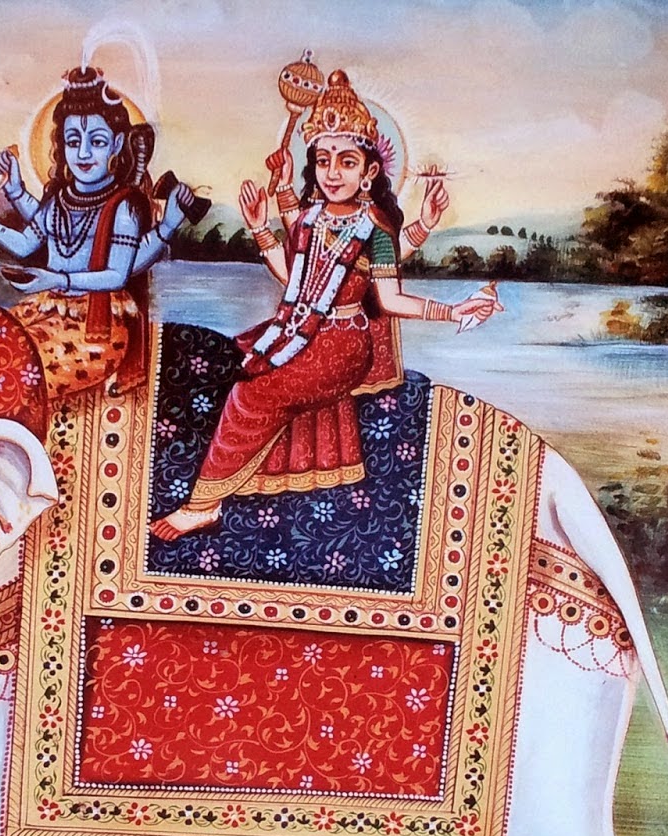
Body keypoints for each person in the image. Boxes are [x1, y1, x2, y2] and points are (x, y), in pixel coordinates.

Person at [150, 69, 500, 540]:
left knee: (251, 395)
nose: (333, 173)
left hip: (342, 346)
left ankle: (203, 505)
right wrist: (258, 226)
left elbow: (389, 298)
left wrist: (452, 311)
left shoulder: (374, 229)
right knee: (235, 362)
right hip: (297, 327)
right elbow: (292, 278)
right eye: (323, 160)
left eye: (347, 161)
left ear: (369, 172)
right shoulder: (310, 219)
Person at [0, 66, 204, 399]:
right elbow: (27, 244)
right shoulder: (60, 198)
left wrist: (56, 279)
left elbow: (117, 275)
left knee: (20, 372)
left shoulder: (123, 206)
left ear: (117, 143)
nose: (83, 153)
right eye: (73, 141)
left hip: (96, 326)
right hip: (46, 307)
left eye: (97, 141)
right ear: (62, 144)